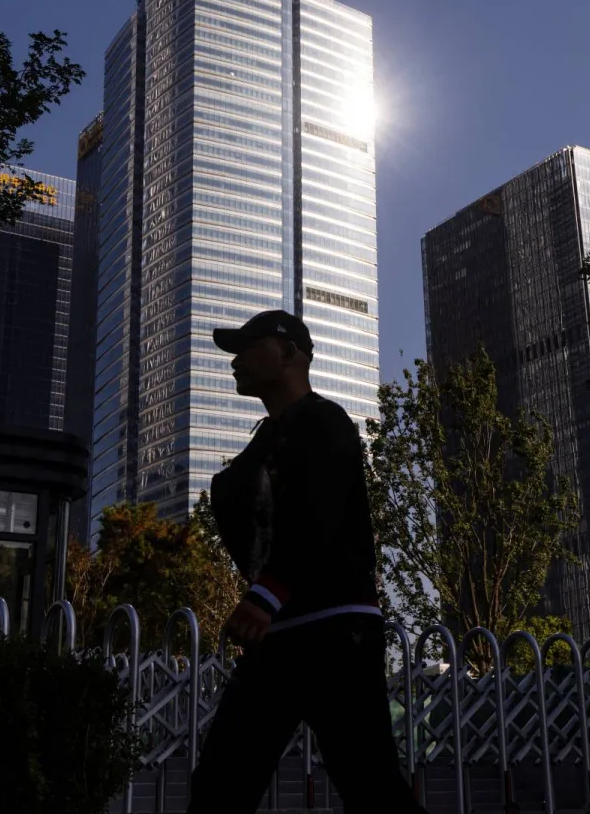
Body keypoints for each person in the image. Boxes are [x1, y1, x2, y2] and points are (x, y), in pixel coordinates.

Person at [188, 310, 427, 814]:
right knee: (219, 783)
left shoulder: (326, 420)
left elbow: (322, 513)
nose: (235, 362)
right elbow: (239, 510)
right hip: (276, 633)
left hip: (337, 631)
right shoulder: (262, 443)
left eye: (248, 347)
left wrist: (266, 592)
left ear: (290, 352)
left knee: (371, 785)